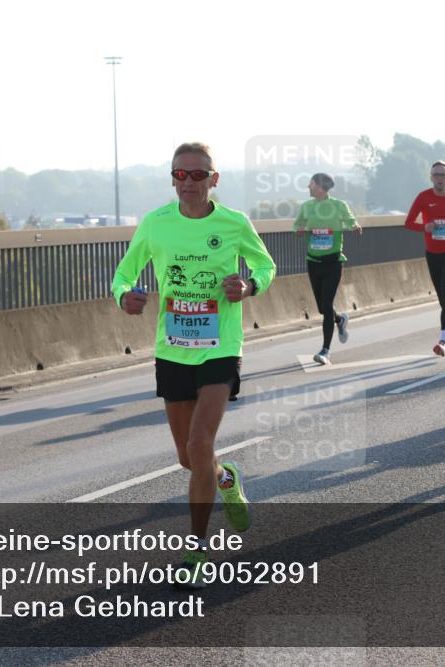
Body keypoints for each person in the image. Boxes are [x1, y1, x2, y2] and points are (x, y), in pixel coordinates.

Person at [111, 142, 275, 588]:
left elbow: (266, 265)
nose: (188, 183)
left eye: (197, 175)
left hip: (221, 347)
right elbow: (123, 273)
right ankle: (226, 478)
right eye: (179, 175)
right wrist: (124, 296)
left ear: (214, 180)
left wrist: (250, 285)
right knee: (190, 459)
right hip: (172, 349)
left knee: (201, 444)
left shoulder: (234, 223)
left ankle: (197, 549)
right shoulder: (156, 224)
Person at [294, 173, 362, 365]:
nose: (308, 186)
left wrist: (355, 226)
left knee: (326, 303)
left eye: (311, 184)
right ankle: (339, 320)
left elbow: (349, 220)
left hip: (333, 262)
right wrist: (298, 230)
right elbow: (297, 225)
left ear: (319, 186)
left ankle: (325, 350)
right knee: (323, 309)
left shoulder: (338, 205)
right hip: (313, 261)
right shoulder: (307, 207)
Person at [404, 161, 445, 357]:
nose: (439, 178)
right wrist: (423, 228)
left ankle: (442, 341)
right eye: (436, 175)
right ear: (431, 177)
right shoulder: (423, 197)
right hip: (433, 253)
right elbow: (408, 222)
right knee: (442, 297)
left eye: (443, 175)